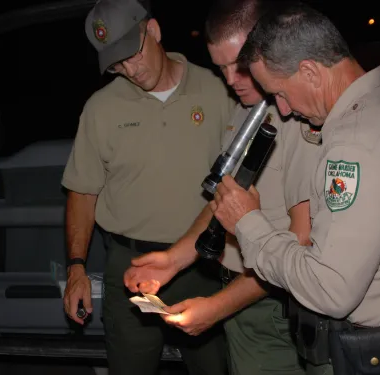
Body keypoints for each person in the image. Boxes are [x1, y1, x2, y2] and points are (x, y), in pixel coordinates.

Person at [210, 2, 380, 375]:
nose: (284, 109)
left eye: (279, 92)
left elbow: (331, 290)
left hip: (371, 356)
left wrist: (249, 223)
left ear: (309, 71)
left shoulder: (354, 149)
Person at [123, 1, 321, 374]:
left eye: (241, 65)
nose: (231, 79)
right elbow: (224, 198)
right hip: (240, 298)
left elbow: (303, 244)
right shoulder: (245, 110)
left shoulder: (298, 117)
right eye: (221, 68)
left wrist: (218, 308)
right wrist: (173, 260)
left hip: (276, 306)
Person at [61, 0, 235, 374]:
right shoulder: (100, 109)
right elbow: (82, 192)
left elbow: (240, 180)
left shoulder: (217, 90)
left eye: (132, 54)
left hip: (203, 262)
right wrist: (76, 267)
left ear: (153, 31)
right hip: (130, 265)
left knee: (215, 368)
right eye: (116, 63)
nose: (129, 70)